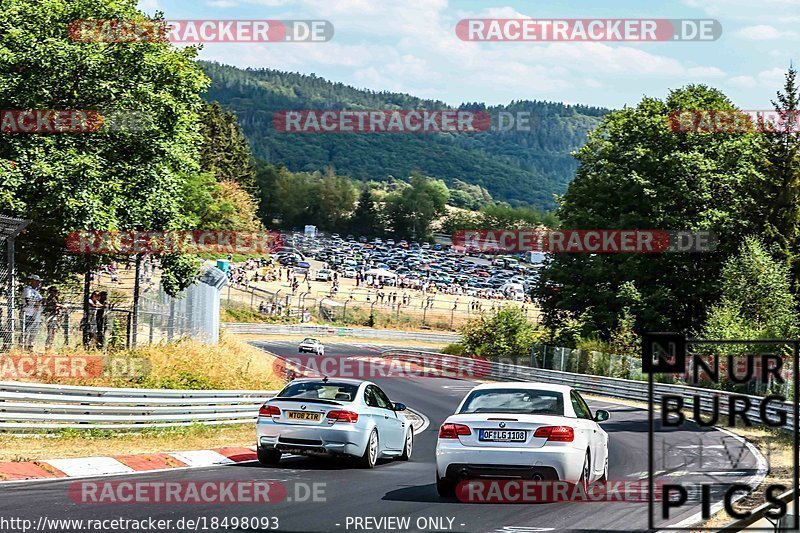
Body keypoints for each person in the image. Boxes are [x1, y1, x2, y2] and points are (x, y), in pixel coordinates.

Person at [22, 275, 43, 350]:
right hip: (27, 313)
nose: (38, 283)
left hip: (35, 314)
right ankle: (22, 346)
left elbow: (41, 300)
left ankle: (30, 347)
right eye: (37, 281)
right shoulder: (28, 289)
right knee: (25, 331)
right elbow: (28, 300)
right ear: (33, 281)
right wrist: (36, 303)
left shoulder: (36, 291)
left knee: (34, 331)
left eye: (39, 281)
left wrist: (39, 303)